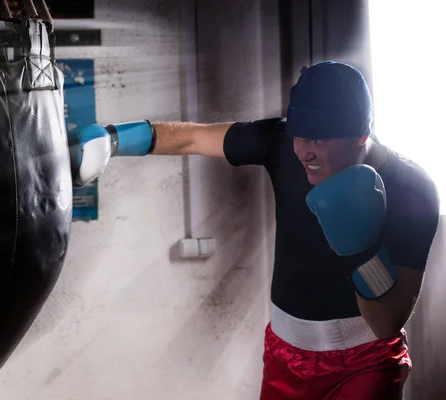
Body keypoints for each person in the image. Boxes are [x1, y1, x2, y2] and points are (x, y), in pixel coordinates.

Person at [67, 61, 440, 399]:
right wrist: (113, 139)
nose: (303, 152)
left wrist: (362, 249)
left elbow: (387, 323)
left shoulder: (412, 189)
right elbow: (194, 137)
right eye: (299, 135)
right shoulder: (280, 143)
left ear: (361, 135)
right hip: (286, 354)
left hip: (366, 364)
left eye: (320, 140)